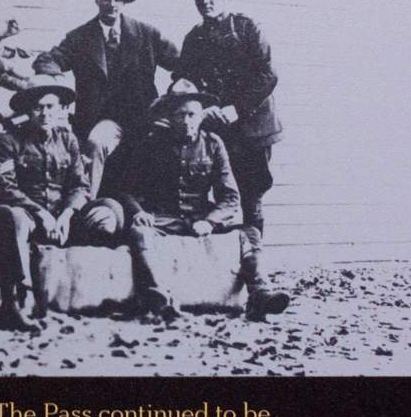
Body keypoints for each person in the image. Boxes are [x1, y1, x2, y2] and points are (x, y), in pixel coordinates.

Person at [121, 81, 290, 321]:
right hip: (164, 217)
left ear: (201, 116)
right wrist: (139, 212)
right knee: (139, 232)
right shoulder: (152, 145)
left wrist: (210, 222)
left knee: (250, 233)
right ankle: (160, 297)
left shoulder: (213, 144)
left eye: (192, 114)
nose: (187, 121)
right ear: (170, 117)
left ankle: (260, 293)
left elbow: (230, 198)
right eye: (181, 115)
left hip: (200, 216)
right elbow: (126, 189)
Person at [0, 76, 125, 330]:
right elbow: (5, 187)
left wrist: (67, 214)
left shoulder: (68, 140)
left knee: (109, 212)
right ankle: (21, 297)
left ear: (61, 110)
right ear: (28, 110)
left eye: (51, 107)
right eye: (38, 107)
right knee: (12, 218)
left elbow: (80, 185)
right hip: (29, 217)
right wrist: (40, 213)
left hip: (63, 221)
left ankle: (94, 285)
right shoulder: (8, 141)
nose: (45, 113)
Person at [33, 0, 179, 198]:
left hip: (144, 116)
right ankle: (84, 203)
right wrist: (57, 81)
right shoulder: (80, 37)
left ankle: (164, 211)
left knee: (175, 139)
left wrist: (172, 99)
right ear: (97, 0)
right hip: (104, 120)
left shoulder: (147, 34)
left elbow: (180, 65)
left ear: (124, 2)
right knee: (95, 143)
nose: (112, 4)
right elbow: (47, 60)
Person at [172, 0, 282, 235]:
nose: (205, 1)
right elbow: (184, 82)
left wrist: (237, 108)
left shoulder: (247, 28)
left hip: (252, 127)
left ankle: (254, 260)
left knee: (251, 194)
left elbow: (267, 75)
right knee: (215, 194)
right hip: (217, 129)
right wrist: (204, 108)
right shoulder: (194, 39)